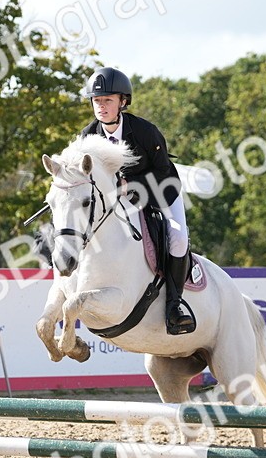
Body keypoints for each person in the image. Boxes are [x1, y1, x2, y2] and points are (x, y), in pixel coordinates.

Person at [79, 66, 195, 335]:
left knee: (177, 237)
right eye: (97, 100)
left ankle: (175, 304)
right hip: (119, 199)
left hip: (160, 189)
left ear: (123, 102)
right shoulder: (88, 136)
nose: (101, 106)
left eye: (108, 100)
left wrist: (131, 184)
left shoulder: (144, 131)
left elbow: (163, 170)